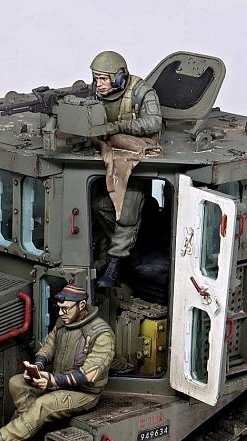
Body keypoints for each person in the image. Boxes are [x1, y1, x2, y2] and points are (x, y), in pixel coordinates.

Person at [0, 285, 115, 441]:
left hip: (84, 392)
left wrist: (53, 380)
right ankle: (33, 436)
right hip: (58, 383)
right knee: (17, 383)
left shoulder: (102, 334)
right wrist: (38, 367)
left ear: (82, 305)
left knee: (43, 404)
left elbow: (89, 374)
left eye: (65, 309)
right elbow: (48, 348)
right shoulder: (62, 324)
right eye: (59, 309)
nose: (61, 313)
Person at [87, 51, 162, 290]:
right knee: (99, 206)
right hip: (107, 153)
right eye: (95, 78)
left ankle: (116, 262)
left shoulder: (141, 92)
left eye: (103, 79)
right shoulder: (95, 92)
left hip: (136, 160)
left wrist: (118, 126)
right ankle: (129, 246)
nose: (98, 84)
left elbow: (153, 122)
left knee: (127, 212)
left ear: (119, 78)